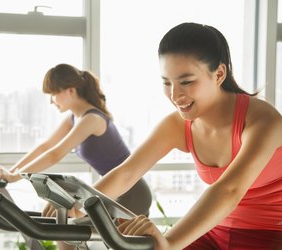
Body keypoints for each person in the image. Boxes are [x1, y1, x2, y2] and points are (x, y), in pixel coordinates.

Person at [94, 22, 282, 249]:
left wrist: (171, 242)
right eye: (166, 83)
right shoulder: (177, 125)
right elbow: (127, 173)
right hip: (214, 231)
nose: (175, 95)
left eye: (186, 82)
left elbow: (229, 190)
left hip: (270, 234)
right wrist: (80, 202)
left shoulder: (264, 121)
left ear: (219, 74)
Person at [0, 63, 152, 216]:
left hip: (132, 192)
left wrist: (14, 177)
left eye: (53, 94)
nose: (51, 101)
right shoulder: (74, 118)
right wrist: (11, 172)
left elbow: (55, 154)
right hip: (115, 189)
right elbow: (45, 147)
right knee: (66, 226)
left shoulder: (92, 119)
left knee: (71, 226)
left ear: (71, 91)